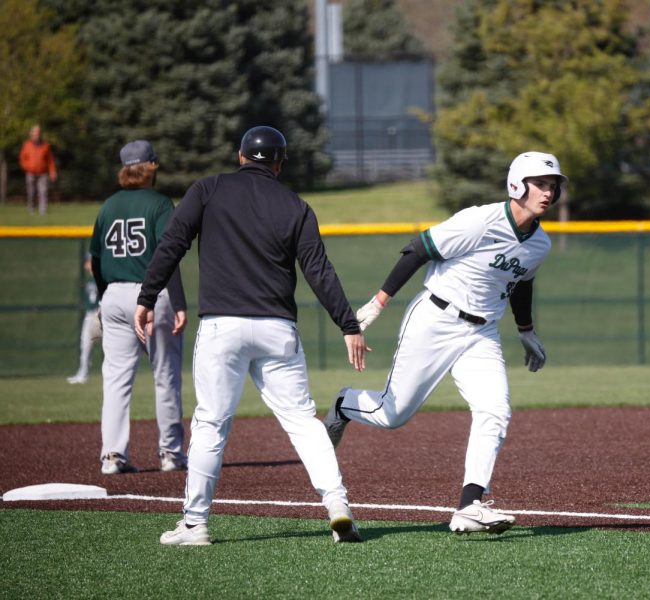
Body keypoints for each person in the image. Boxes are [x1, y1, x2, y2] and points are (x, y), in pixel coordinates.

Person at [134, 126, 368, 546]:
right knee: (302, 421)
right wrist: (348, 324)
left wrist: (148, 296)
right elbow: (319, 270)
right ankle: (338, 504)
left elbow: (171, 244)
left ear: (240, 155)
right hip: (278, 330)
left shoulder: (208, 189)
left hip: (222, 327)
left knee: (211, 423)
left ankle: (195, 524)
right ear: (279, 164)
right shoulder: (296, 205)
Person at [324, 151, 566, 535]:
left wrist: (526, 329)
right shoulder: (479, 221)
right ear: (517, 185)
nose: (549, 192)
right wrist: (378, 302)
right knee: (392, 414)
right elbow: (418, 250)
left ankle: (469, 505)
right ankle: (343, 403)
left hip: (482, 333)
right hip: (436, 318)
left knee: (495, 410)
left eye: (553, 185)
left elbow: (521, 282)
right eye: (541, 183)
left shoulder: (540, 244)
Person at [90, 140, 188, 475]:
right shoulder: (159, 203)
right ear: (151, 167)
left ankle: (113, 456)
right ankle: (171, 453)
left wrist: (106, 299)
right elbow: (169, 252)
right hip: (152, 295)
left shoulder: (108, 206)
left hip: (114, 294)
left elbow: (98, 260)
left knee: (116, 379)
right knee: (165, 374)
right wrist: (179, 301)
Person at [67, 254, 102, 384]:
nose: (86, 264)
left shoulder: (102, 276)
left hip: (101, 315)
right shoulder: (88, 280)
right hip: (90, 316)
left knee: (109, 346)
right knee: (85, 345)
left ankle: (108, 374)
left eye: (88, 261)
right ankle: (82, 374)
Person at [18, 124, 58, 215]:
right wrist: (27, 167)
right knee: (31, 192)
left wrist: (52, 172)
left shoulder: (46, 146)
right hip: (30, 173)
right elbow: (22, 159)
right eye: (35, 133)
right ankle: (31, 209)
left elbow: (50, 160)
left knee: (43, 192)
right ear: (31, 134)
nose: (37, 134)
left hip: (43, 173)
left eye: (38, 133)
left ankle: (43, 211)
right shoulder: (27, 145)